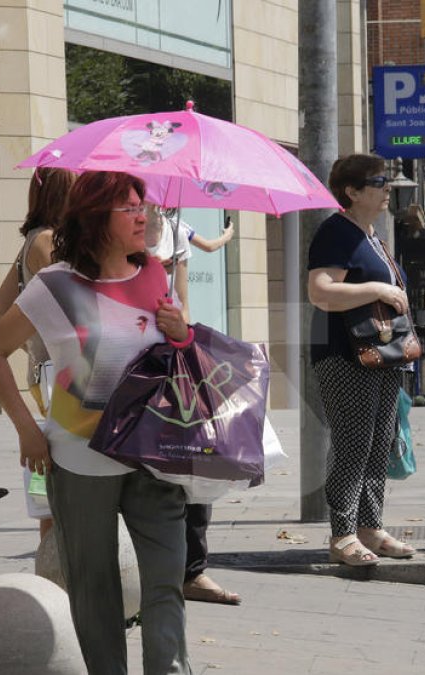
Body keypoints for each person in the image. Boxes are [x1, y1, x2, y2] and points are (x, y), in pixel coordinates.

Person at [0, 171, 192, 674]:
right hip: (79, 459)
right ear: (98, 217)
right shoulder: (57, 284)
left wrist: (182, 333)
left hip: (155, 453)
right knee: (94, 591)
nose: (145, 216)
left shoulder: (155, 273)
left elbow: (175, 355)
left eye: (146, 206)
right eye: (131, 208)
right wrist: (27, 430)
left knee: (166, 580)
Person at [307, 153, 415, 567]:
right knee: (353, 443)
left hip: (381, 355)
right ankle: (343, 534)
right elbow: (320, 291)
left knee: (378, 444)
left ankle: (371, 527)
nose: (387, 188)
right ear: (351, 191)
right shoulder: (336, 232)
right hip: (345, 354)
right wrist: (378, 289)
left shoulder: (370, 235)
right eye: (378, 181)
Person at [144, 205, 241, 605]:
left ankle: (192, 571)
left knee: (195, 459)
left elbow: (183, 303)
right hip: (125, 364)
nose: (142, 208)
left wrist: (180, 335)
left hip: (170, 357)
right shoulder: (108, 231)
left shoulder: (173, 228)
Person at [0, 167, 76, 540]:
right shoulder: (48, 243)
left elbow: (0, 305)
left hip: (43, 371)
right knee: (56, 476)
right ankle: (54, 559)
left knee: (52, 473)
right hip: (57, 371)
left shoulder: (31, 241)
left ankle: (51, 554)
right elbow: (74, 305)